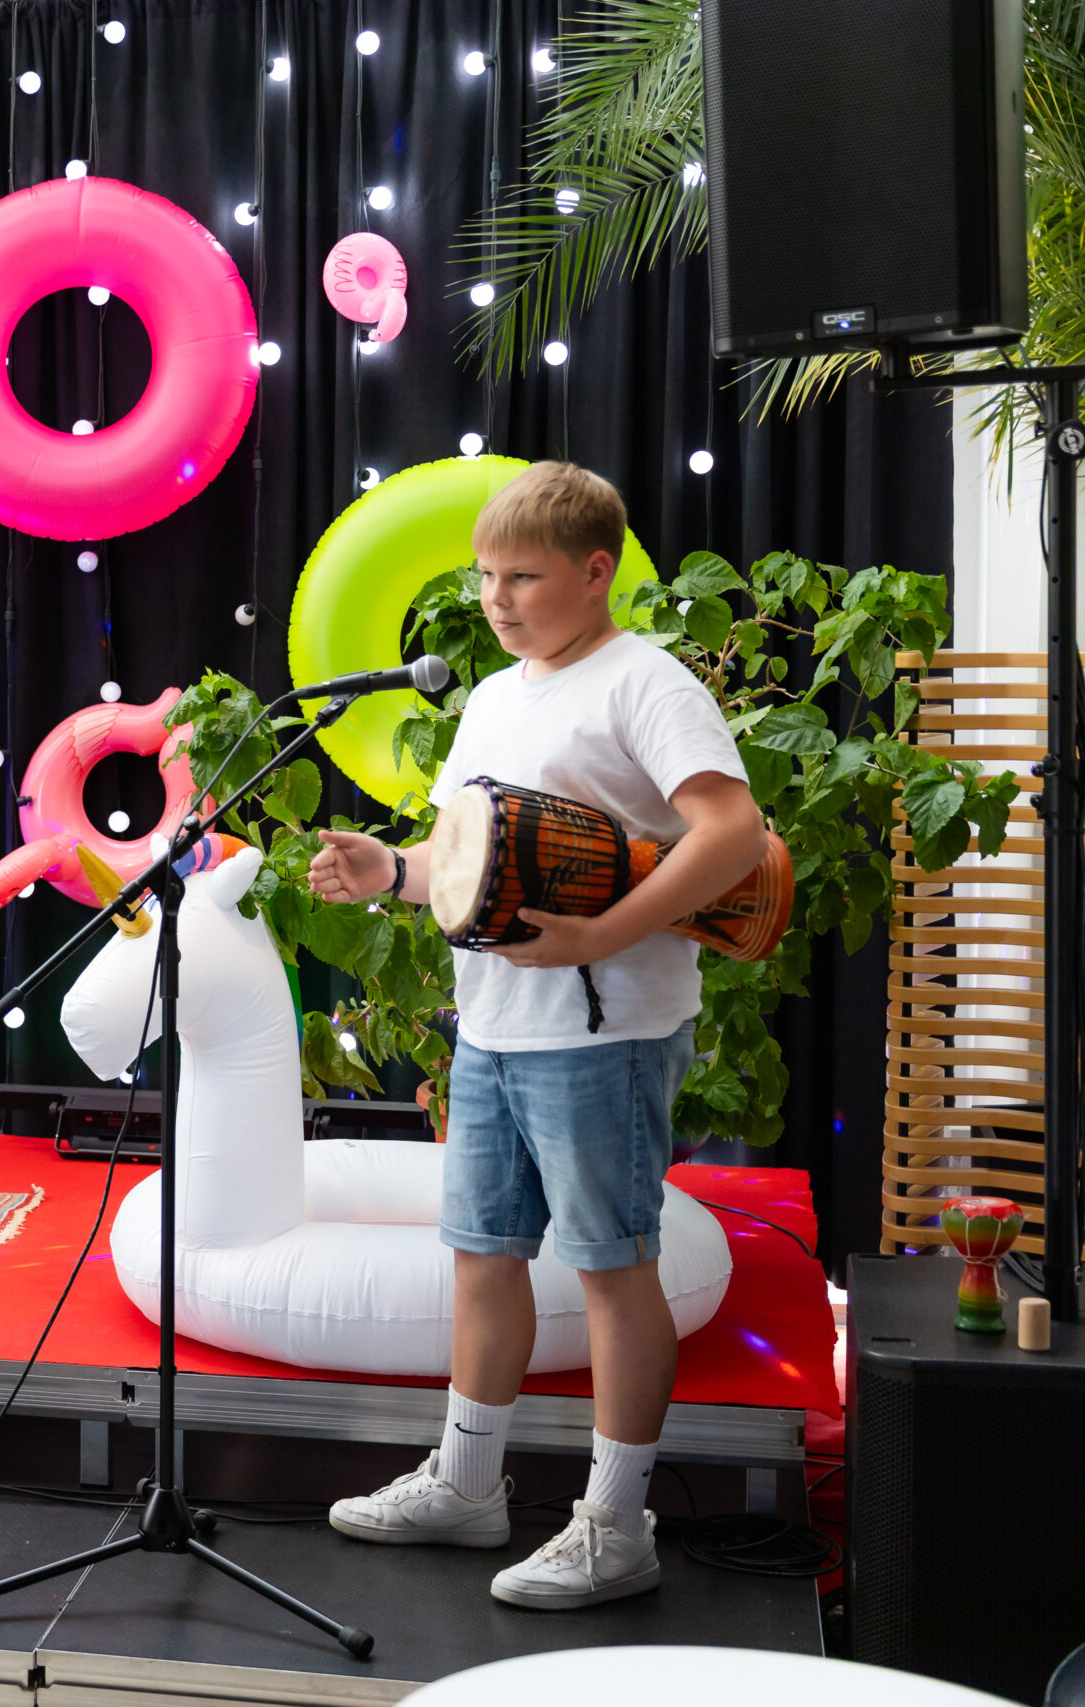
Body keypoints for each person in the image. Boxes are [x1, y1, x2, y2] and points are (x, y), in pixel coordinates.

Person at [307, 461, 766, 1609]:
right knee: (482, 1257)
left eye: (521, 577)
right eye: (484, 578)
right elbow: (463, 860)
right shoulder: (495, 696)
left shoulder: (645, 681)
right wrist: (389, 870)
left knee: (612, 1271)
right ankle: (467, 1487)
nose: (496, 600)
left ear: (595, 571)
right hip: (494, 1025)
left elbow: (733, 834)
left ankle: (616, 1525)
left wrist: (601, 933)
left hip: (606, 1033)